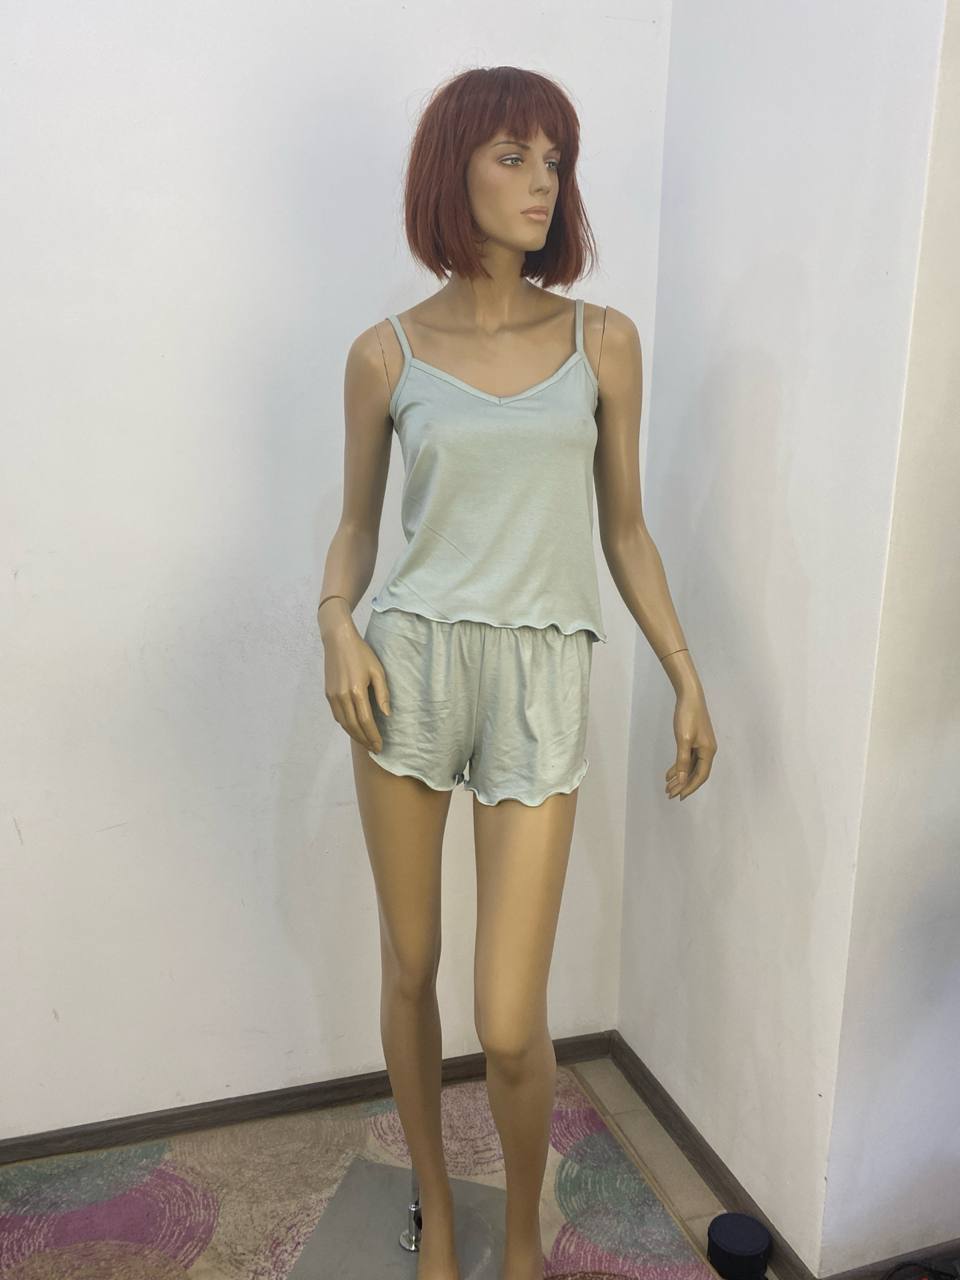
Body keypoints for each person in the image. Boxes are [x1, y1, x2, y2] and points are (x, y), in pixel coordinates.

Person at [317, 65, 717, 1280]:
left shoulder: (604, 341)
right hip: (409, 670)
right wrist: (335, 619)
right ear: (455, 171)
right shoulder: (385, 355)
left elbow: (626, 529)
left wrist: (686, 671)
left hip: (543, 675)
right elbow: (356, 527)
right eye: (513, 155)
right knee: (409, 965)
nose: (542, 181)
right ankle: (439, 1210)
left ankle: (526, 1232)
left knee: (506, 1017)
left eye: (555, 159)